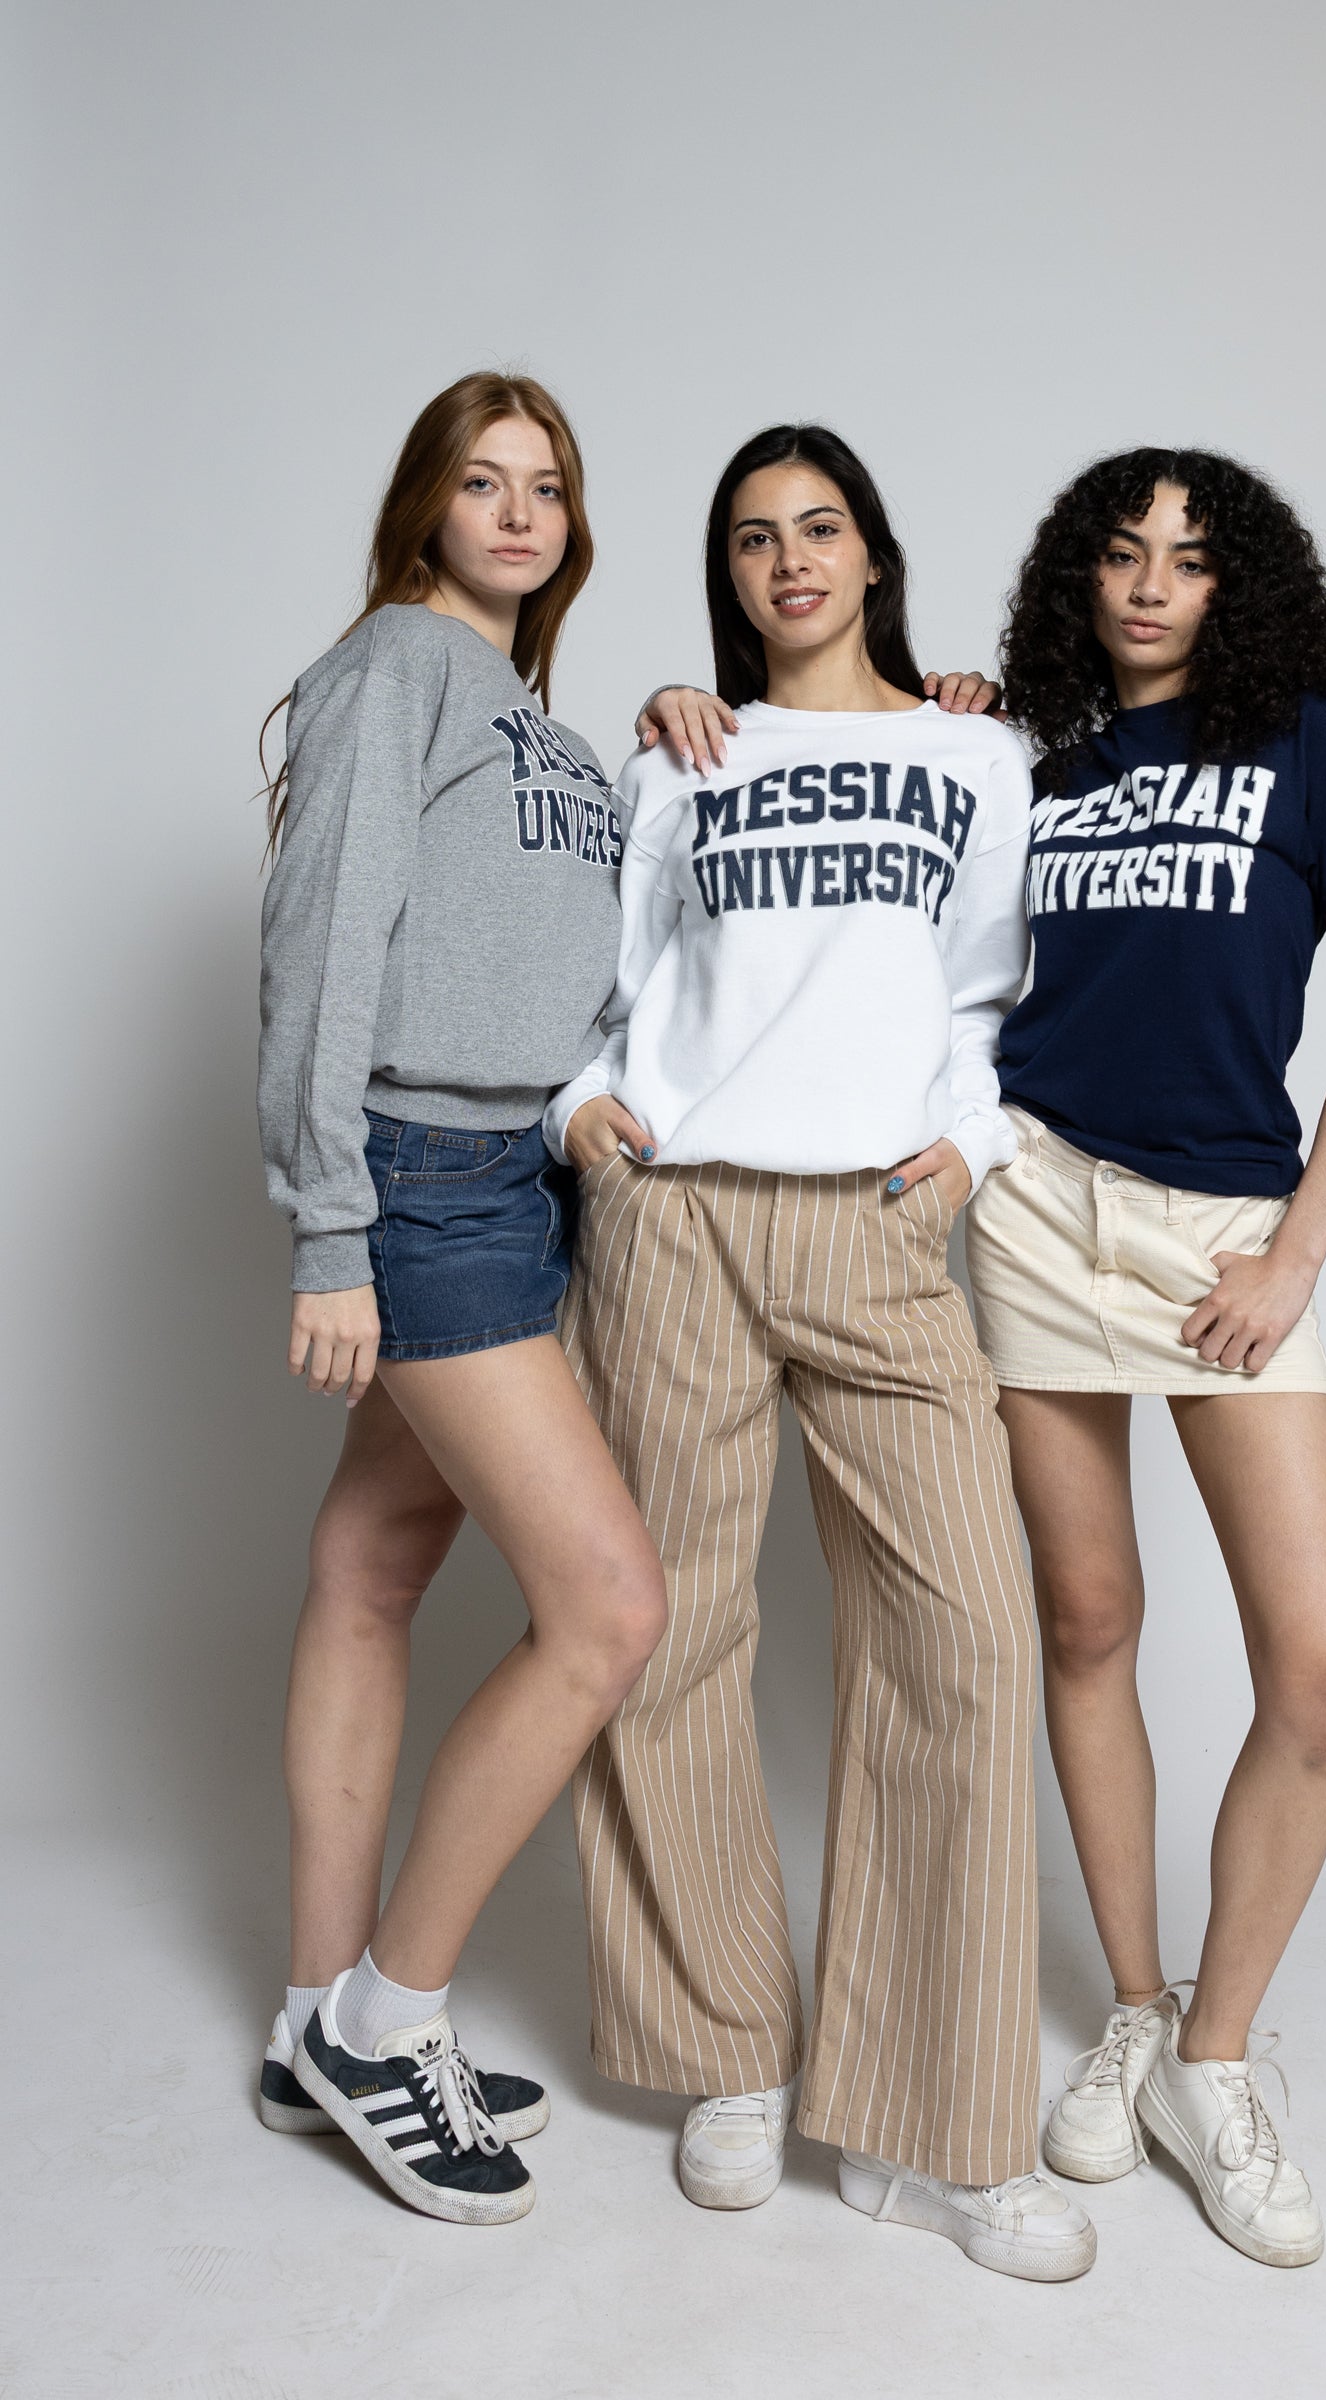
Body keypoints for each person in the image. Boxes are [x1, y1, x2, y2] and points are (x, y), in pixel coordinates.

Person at [545, 423, 1096, 2283]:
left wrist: (976, 1146)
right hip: (678, 1215)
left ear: (873, 555)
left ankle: (932, 2120)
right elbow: (612, 991)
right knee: (672, 1623)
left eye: (822, 528)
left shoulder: (974, 750)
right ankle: (723, 2054)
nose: (790, 560)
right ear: (730, 570)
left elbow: (991, 989)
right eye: (755, 537)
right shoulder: (678, 755)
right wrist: (581, 1120)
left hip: (876, 1220)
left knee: (961, 1630)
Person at [961, 447, 1326, 2268]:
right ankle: (1137, 2005)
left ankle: (1211, 2058)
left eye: (1192, 560)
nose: (1152, 584)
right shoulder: (1030, 760)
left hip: (1228, 1230)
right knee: (1087, 1625)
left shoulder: (1311, 736)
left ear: (1246, 588)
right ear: (1084, 577)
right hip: (1033, 1204)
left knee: (1321, 1672)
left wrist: (1294, 1249)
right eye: (1123, 555)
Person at [255, 370, 681, 2224]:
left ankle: (304, 2021)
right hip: (419, 1185)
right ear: (427, 503)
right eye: (485, 482)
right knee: (608, 1606)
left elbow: (568, 953)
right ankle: (388, 2019)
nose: (521, 514)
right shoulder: (395, 673)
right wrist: (330, 1227)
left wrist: (666, 739)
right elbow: (324, 947)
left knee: (370, 1576)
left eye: (551, 488)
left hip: (518, 1175)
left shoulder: (530, 718)